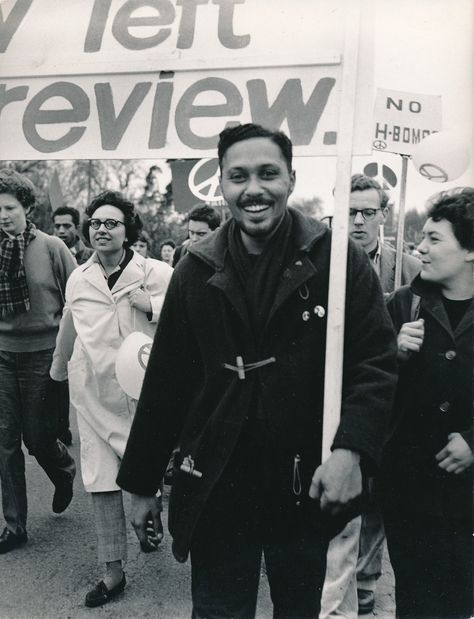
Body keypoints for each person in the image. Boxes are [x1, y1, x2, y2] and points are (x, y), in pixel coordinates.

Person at [117, 123, 398, 618]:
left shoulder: (337, 260)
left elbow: (375, 362)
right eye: (238, 176)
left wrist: (351, 452)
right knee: (218, 610)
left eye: (268, 173)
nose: (253, 190)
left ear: (291, 178)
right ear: (221, 184)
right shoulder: (195, 268)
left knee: (300, 607)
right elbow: (166, 384)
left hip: (304, 479)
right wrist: (141, 484)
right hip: (217, 478)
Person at [50, 190, 172, 607]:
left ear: (128, 230)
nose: (102, 229)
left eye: (112, 223)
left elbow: (182, 314)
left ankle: (147, 521)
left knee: (143, 473)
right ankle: (113, 571)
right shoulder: (79, 277)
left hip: (140, 392)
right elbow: (70, 322)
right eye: (96, 223)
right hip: (93, 392)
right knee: (100, 481)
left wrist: (151, 305)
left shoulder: (155, 272)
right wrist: (57, 365)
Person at [321, 174, 421, 618]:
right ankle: (336, 591)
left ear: (385, 215)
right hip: (332, 399)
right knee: (340, 498)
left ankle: (365, 588)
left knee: (377, 500)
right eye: (349, 212)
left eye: (368, 212)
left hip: (390, 403)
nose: (358, 221)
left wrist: (403, 344)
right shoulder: (319, 263)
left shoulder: (409, 270)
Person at [381, 187, 473, 619]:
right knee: (416, 604)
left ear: (470, 249)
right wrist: (391, 357)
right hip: (410, 494)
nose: (420, 247)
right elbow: (366, 388)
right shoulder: (402, 304)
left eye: (435, 239)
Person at [0, 169, 76, 554]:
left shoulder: (51, 247)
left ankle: (63, 472)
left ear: (26, 208)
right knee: (5, 440)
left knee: (37, 438)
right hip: (2, 353)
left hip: (42, 354)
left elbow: (77, 298)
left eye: (9, 207)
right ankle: (14, 527)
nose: (2, 215)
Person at [52, 205, 93, 446]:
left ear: (76, 228)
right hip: (59, 327)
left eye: (66, 226)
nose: (61, 230)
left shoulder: (88, 255)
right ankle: (61, 429)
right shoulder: (50, 252)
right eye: (57, 226)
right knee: (58, 381)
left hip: (86, 328)